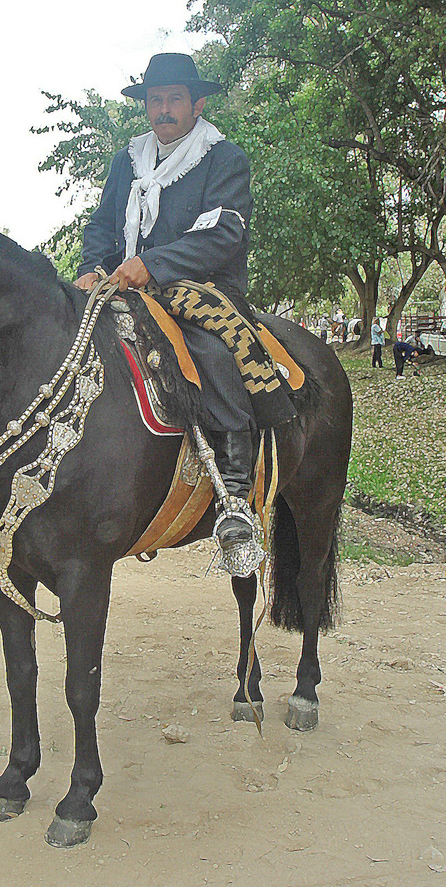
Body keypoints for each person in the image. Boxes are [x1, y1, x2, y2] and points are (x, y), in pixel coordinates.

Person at [74, 52, 290, 571]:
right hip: (127, 286)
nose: (163, 109)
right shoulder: (125, 163)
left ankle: (235, 495)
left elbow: (222, 235)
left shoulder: (224, 159)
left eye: (174, 99)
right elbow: (102, 226)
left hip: (203, 288)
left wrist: (151, 264)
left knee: (213, 354)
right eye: (155, 100)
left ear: (198, 103)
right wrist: (91, 265)